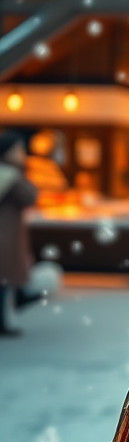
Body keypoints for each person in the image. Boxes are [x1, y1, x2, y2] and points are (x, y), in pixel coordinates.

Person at [0, 132, 39, 335]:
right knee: (5, 280)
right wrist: (24, 169)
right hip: (6, 235)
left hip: (6, 234)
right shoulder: (11, 175)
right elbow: (30, 195)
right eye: (18, 150)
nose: (21, 153)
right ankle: (3, 323)